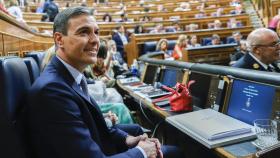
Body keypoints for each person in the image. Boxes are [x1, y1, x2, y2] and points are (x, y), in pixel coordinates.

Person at [27, 7, 184, 158]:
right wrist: (142, 152)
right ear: (59, 40)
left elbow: (96, 127)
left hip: (105, 149)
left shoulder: (72, 77)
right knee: (177, 152)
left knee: (171, 149)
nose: (95, 40)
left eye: (96, 32)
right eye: (84, 32)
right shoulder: (52, 90)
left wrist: (128, 140)